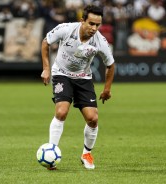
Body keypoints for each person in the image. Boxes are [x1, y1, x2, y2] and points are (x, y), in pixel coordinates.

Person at [41, 5, 115, 170]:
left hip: (83, 78)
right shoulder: (65, 29)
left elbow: (110, 65)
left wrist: (107, 89)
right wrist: (46, 68)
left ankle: (86, 153)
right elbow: (45, 43)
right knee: (61, 112)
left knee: (93, 118)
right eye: (91, 23)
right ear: (82, 20)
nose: (94, 28)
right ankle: (52, 151)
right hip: (61, 73)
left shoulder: (100, 41)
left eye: (97, 25)